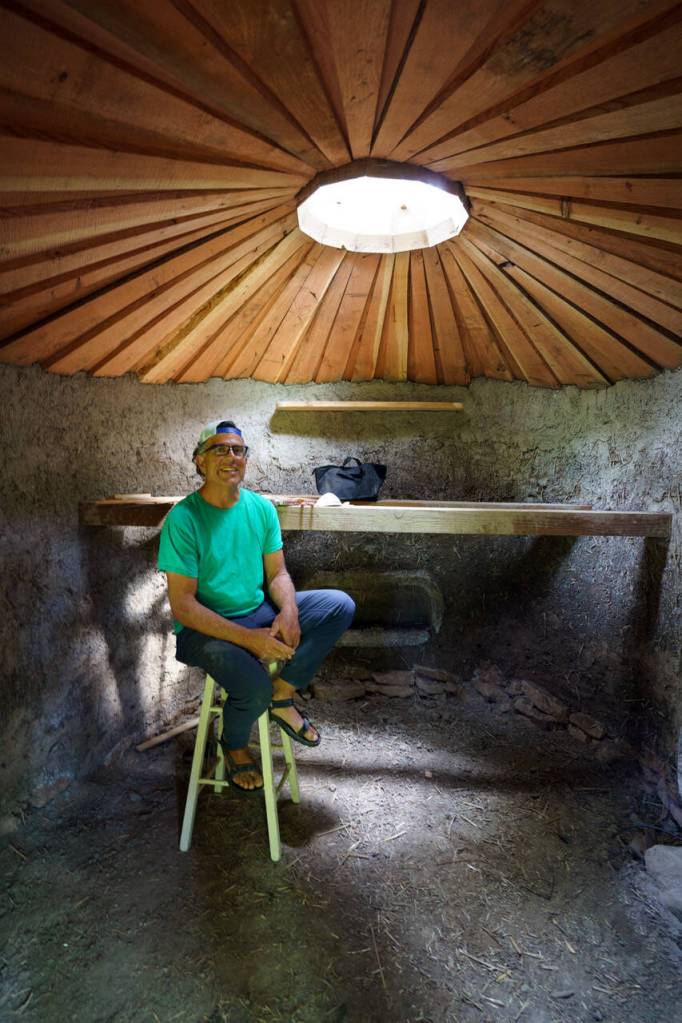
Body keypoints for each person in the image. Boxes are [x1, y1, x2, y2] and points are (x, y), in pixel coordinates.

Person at [157, 419, 355, 793]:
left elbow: (277, 573)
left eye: (238, 450)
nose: (231, 457)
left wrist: (289, 611)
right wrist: (251, 641)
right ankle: (233, 744)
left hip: (256, 612)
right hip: (203, 629)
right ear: (199, 461)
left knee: (338, 605)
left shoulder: (260, 509)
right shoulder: (184, 520)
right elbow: (183, 607)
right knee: (254, 687)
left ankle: (285, 693)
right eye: (219, 449)